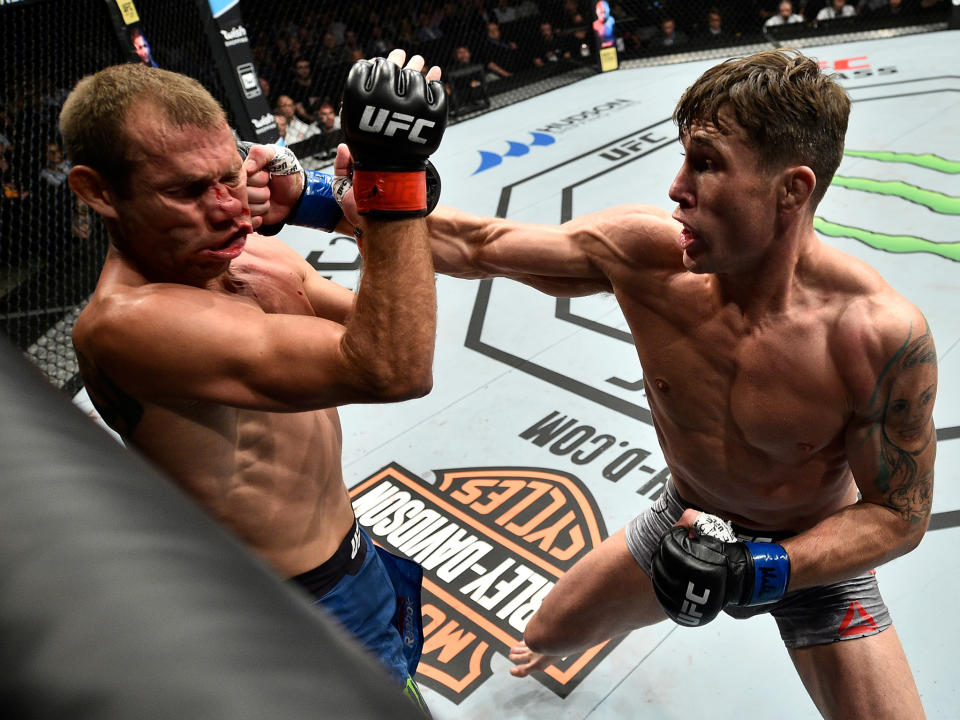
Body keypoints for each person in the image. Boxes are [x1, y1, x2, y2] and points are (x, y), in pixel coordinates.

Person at [256, 48, 935, 719]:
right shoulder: (648, 257)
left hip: (811, 558)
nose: (676, 188)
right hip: (686, 517)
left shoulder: (875, 337)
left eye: (706, 163)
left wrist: (762, 568)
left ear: (793, 189)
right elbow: (479, 243)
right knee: (548, 631)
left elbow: (899, 515)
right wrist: (316, 200)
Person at [60, 50, 447, 712]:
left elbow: (386, 327)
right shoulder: (127, 325)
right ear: (98, 191)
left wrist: (362, 213)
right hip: (287, 611)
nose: (231, 212)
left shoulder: (255, 253)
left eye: (227, 178)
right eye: (186, 191)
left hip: (351, 551)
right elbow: (392, 368)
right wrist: (395, 185)